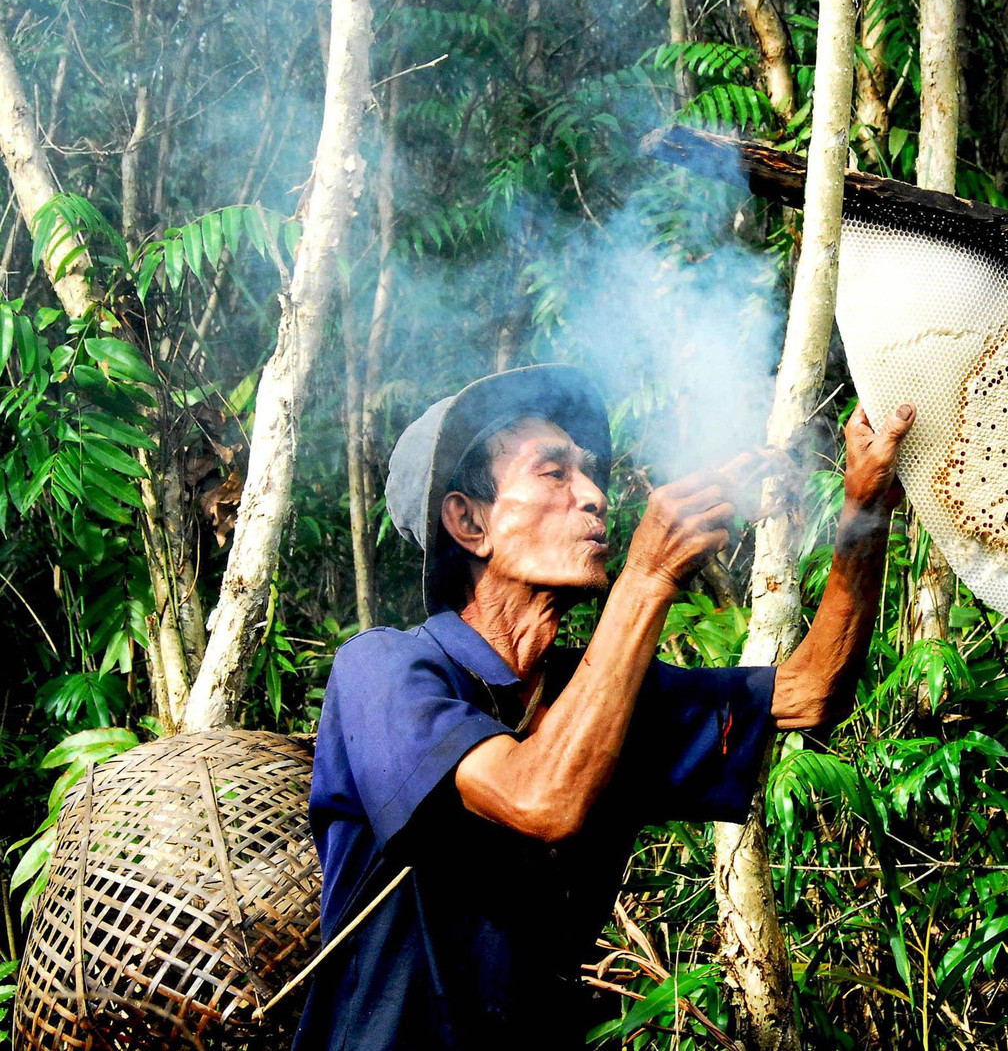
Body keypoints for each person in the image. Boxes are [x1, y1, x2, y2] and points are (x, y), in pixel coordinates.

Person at [292, 364, 915, 1050]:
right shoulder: (384, 669)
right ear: (470, 521)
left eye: (589, 474)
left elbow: (814, 690)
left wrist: (866, 506)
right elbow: (540, 797)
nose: (594, 496)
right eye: (554, 474)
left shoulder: (605, 691)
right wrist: (647, 575)